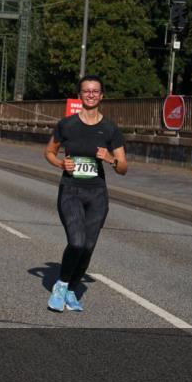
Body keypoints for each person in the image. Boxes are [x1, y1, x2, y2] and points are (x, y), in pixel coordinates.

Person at [43, 75, 128, 312]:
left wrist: (110, 159)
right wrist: (61, 164)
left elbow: (123, 167)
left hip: (97, 195)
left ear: (101, 96)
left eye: (95, 91)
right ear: (80, 96)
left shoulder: (110, 128)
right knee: (77, 242)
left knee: (89, 246)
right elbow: (49, 152)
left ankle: (71, 288)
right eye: (86, 91)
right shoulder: (67, 124)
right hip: (70, 190)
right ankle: (61, 284)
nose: (91, 95)